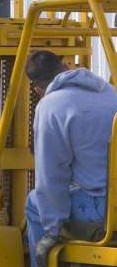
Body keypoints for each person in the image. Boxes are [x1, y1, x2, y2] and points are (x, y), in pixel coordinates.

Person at [24, 50, 117, 267]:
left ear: (38, 89)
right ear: (65, 67)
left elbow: (52, 175)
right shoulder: (109, 92)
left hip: (100, 208)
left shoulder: (51, 106)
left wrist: (52, 230)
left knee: (34, 202)